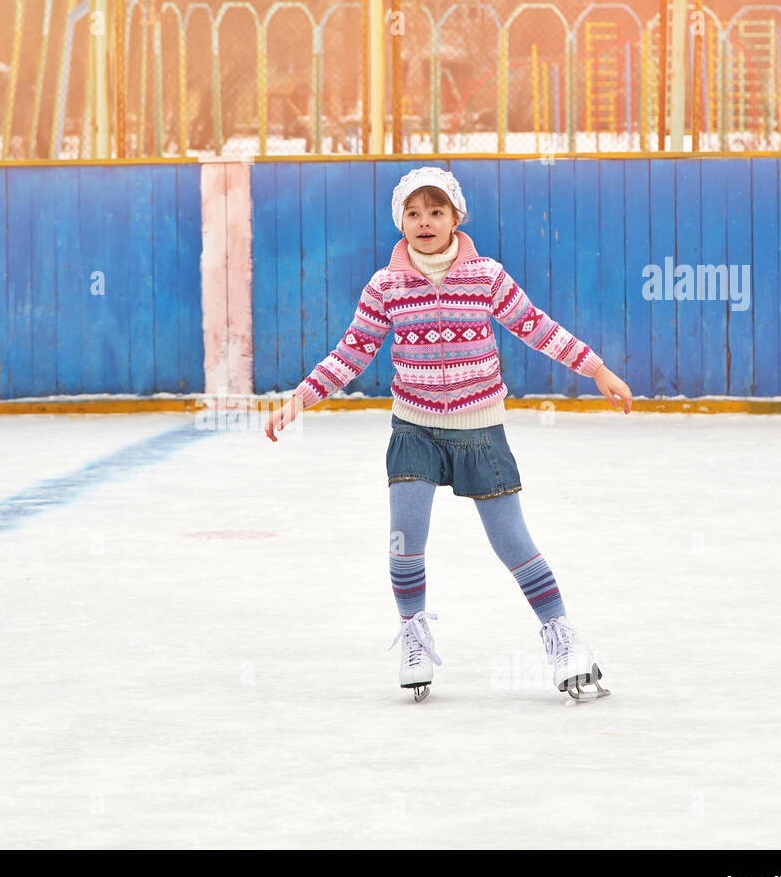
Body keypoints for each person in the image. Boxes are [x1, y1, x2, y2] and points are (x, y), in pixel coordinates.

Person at [263, 166, 633, 702]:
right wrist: (300, 397)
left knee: (513, 543)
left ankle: (562, 636)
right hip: (414, 427)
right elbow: (352, 352)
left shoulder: (486, 276)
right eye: (413, 213)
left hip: (480, 429)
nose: (425, 222)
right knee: (404, 544)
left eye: (436, 211)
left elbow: (536, 326)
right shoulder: (386, 285)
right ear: (400, 222)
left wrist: (596, 368)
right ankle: (414, 633)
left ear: (457, 217)